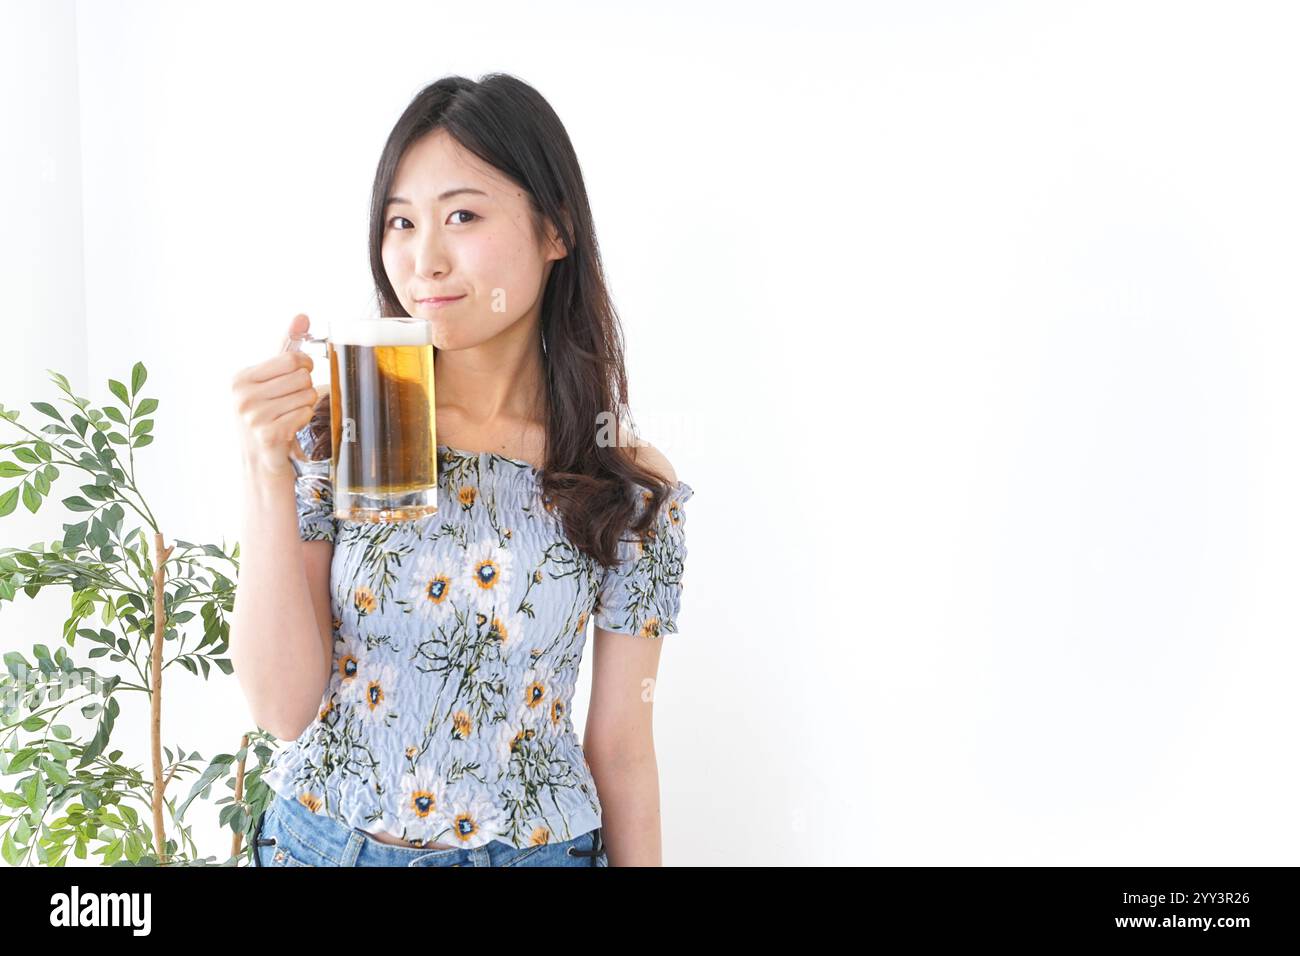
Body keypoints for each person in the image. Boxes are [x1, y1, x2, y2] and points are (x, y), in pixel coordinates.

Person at [229, 74, 694, 867]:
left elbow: (620, 748)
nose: (424, 259)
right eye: (400, 222)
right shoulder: (341, 429)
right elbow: (281, 707)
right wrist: (265, 471)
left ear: (556, 230)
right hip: (319, 846)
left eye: (462, 216)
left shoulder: (624, 480)